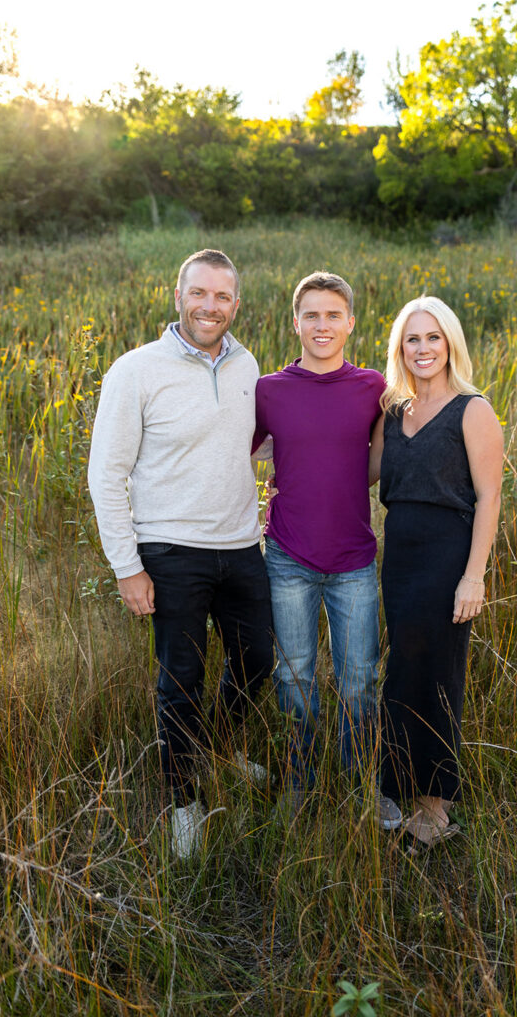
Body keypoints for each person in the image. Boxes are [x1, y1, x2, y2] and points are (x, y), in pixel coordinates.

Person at [88, 249, 273, 858]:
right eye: (199, 293)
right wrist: (127, 567)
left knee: (257, 661)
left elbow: (252, 442)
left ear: (236, 304)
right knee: (181, 679)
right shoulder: (136, 370)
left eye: (222, 296)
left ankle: (219, 746)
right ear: (178, 297)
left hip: (241, 545)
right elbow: (106, 474)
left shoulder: (247, 364)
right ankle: (184, 801)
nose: (209, 307)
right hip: (170, 550)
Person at [253, 272, 402, 829]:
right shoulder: (269, 390)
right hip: (287, 557)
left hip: (354, 560)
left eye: (333, 315)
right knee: (295, 679)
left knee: (359, 679)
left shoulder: (373, 387)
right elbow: (232, 452)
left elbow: (384, 456)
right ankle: (300, 783)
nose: (322, 325)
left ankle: (362, 785)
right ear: (295, 323)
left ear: (350, 323)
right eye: (311, 315)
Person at [369, 296, 503, 847]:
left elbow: (490, 497)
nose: (423, 349)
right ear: (399, 348)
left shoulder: (472, 409)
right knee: (403, 670)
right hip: (400, 556)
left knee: (437, 675)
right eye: (412, 339)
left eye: (433, 337)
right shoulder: (392, 411)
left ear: (450, 343)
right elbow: (363, 472)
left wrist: (474, 576)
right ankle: (397, 787)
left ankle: (435, 807)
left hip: (448, 557)